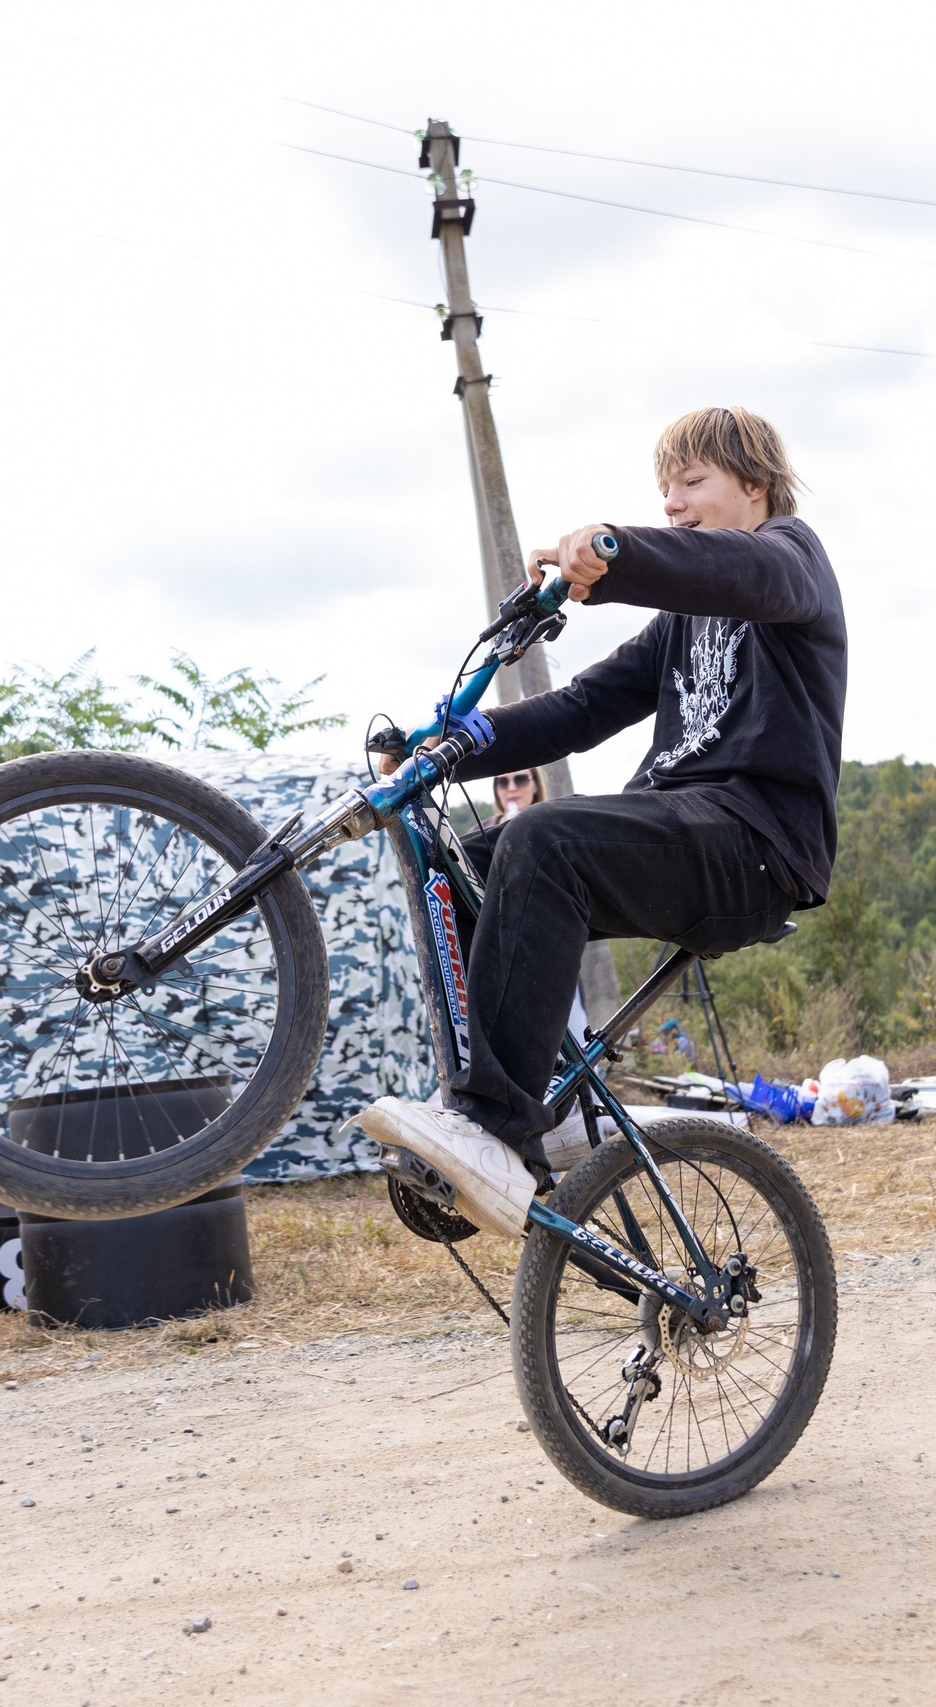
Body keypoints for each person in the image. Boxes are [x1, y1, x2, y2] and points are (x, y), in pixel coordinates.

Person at [352, 407, 842, 1237]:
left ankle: (492, 1126)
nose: (675, 504)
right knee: (470, 859)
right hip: (685, 829)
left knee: (545, 838)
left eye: (693, 483)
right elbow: (579, 708)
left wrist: (616, 547)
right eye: (664, 492)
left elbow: (729, 570)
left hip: (757, 844)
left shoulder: (791, 561)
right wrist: (441, 749)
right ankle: (540, 1111)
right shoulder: (682, 624)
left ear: (755, 486)